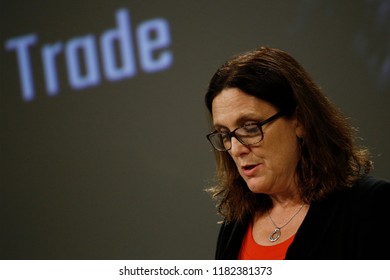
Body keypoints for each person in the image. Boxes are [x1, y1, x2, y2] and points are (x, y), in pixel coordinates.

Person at [204, 46, 390, 260]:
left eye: (250, 127)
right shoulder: (235, 224)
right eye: (225, 134)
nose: (236, 149)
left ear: (299, 120)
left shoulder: (370, 206)